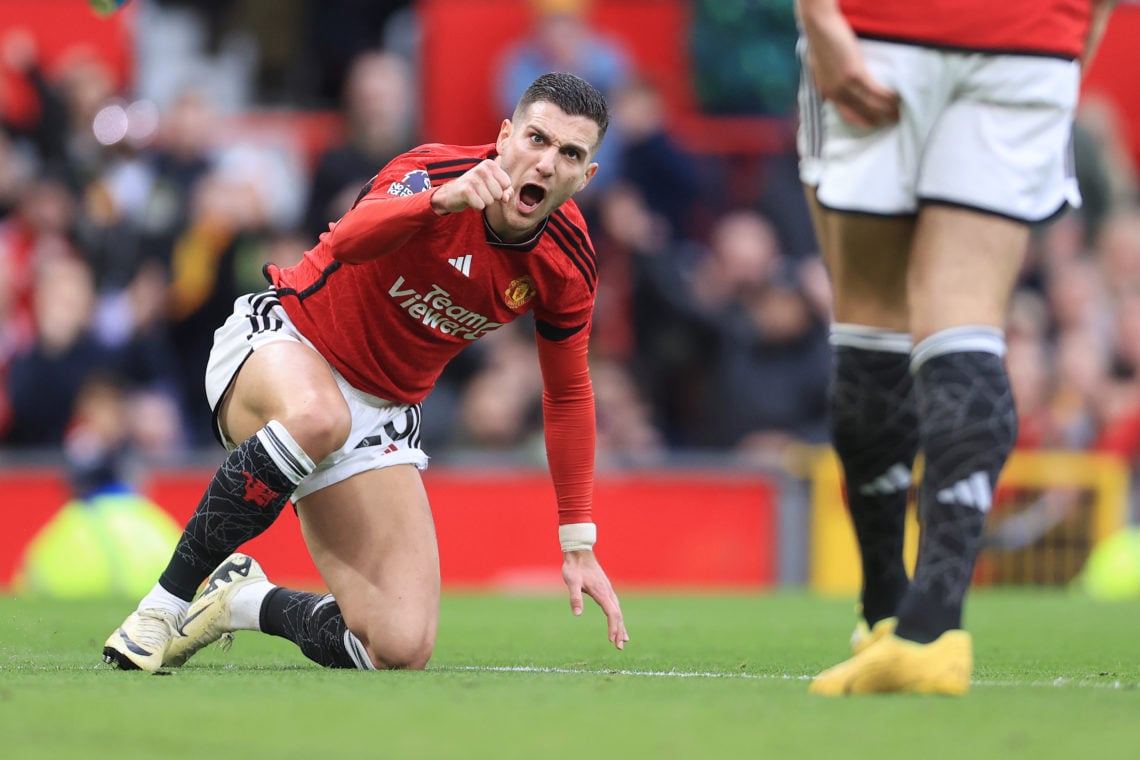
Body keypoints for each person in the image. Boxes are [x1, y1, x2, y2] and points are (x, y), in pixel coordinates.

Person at [102, 72, 629, 673]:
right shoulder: (431, 173)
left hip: (378, 414)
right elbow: (344, 241)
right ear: (506, 135)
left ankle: (240, 602)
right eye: (536, 139)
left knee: (399, 648)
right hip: (284, 342)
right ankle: (162, 605)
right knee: (317, 415)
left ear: (585, 177)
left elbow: (567, 393)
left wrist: (578, 541)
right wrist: (437, 203)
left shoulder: (567, 261)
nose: (545, 163)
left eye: (569, 154)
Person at [794, 0, 1118, 695]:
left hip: (886, 25)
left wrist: (817, 17)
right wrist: (1063, 52)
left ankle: (884, 606)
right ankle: (932, 628)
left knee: (872, 316)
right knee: (966, 319)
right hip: (1036, 34)